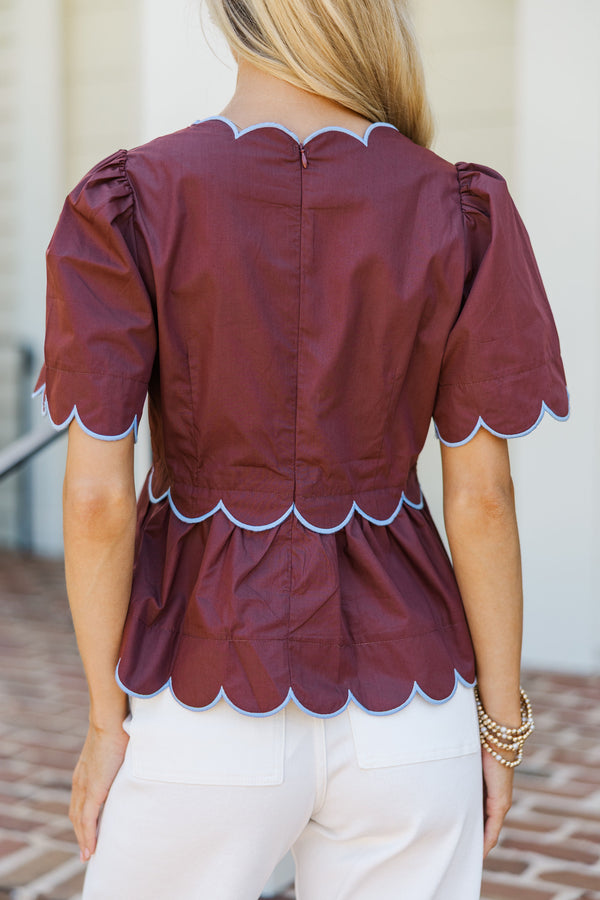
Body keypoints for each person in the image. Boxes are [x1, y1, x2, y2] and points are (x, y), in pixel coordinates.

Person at [34, 0, 569, 897]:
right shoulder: (457, 204)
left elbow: (94, 499)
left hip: (201, 687)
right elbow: (482, 498)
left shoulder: (133, 198)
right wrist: (500, 726)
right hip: (412, 702)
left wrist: (102, 722)